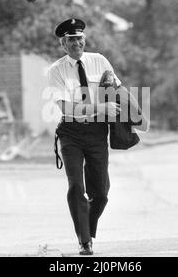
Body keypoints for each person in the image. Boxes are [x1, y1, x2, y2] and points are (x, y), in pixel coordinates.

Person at [47, 18, 122, 255]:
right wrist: (100, 109)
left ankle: (86, 227)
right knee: (76, 187)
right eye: (71, 40)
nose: (76, 43)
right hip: (71, 134)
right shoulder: (56, 70)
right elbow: (67, 109)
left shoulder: (99, 61)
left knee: (100, 193)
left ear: (84, 39)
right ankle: (84, 241)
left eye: (79, 38)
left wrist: (132, 115)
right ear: (63, 44)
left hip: (97, 133)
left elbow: (117, 90)